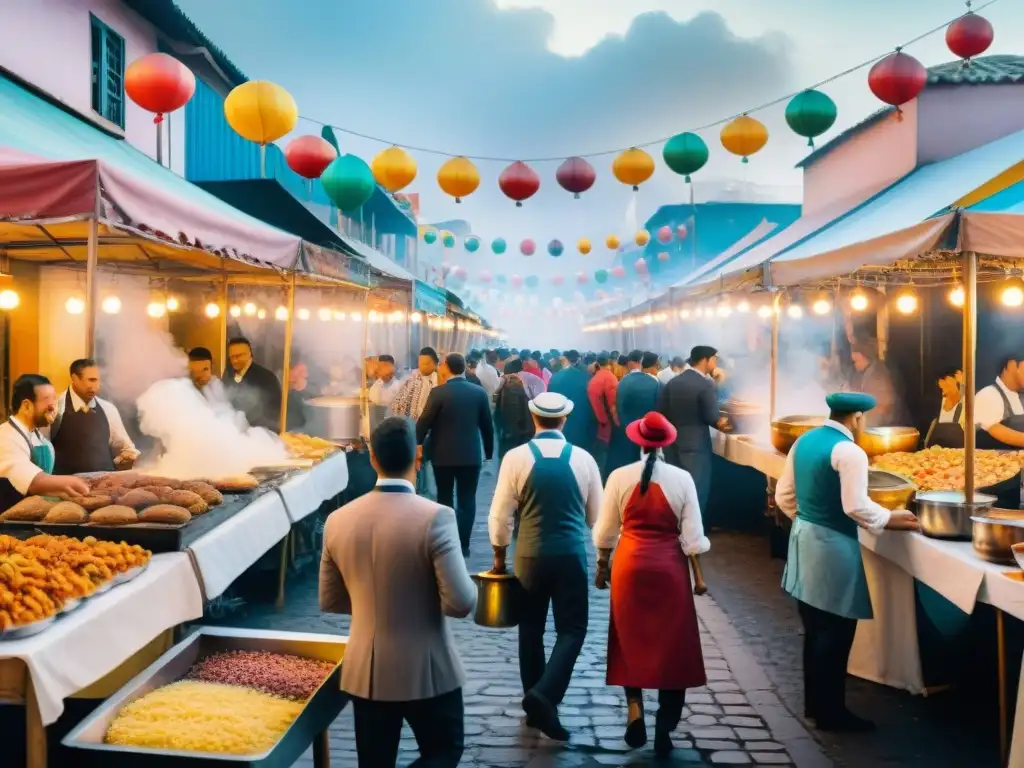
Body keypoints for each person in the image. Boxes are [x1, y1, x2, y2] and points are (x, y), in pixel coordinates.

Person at [319, 416, 475, 767]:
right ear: (418, 457)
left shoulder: (338, 520)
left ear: (373, 458)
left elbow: (331, 599)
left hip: (366, 669)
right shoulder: (436, 517)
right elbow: (461, 603)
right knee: (444, 751)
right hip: (430, 664)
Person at [776, 392, 919, 732]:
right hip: (832, 549)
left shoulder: (804, 440)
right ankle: (832, 713)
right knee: (835, 632)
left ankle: (815, 706)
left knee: (813, 628)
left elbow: (784, 494)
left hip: (803, 540)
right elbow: (855, 505)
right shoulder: (850, 451)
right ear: (856, 417)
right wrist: (891, 517)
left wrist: (808, 519)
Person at [487, 392, 603, 741]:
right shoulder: (584, 459)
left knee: (530, 628)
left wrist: (498, 557)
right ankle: (545, 696)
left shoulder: (516, 458)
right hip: (570, 556)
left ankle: (534, 698)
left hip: (528, 557)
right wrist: (602, 560)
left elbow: (500, 513)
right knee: (573, 630)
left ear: (533, 418)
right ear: (564, 420)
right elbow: (596, 517)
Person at [594, 411, 710, 756]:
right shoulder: (682, 479)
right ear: (666, 444)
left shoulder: (618, 476)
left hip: (629, 567)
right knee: (673, 647)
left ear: (638, 441)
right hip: (669, 570)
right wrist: (699, 579)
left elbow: (605, 531)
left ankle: (634, 709)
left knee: (630, 641)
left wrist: (602, 566)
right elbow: (693, 538)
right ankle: (665, 726)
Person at [417, 354, 494, 555]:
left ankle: (446, 542)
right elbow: (487, 425)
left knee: (444, 497)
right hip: (470, 455)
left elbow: (424, 422)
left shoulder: (438, 393)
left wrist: (416, 444)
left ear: (446, 368)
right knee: (467, 499)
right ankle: (464, 545)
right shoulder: (479, 393)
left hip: (442, 456)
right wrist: (488, 452)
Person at [0, 374, 90, 511]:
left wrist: (66, 492)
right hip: (6, 519)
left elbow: (45, 486)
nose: (53, 406)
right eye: (47, 400)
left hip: (34, 513)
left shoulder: (39, 437)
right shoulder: (6, 437)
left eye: (54, 399)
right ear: (27, 406)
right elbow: (34, 482)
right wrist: (72, 481)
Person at [658, 346, 727, 516]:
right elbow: (713, 417)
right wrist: (724, 422)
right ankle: (694, 535)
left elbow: (660, 412)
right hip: (695, 447)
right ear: (705, 360)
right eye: (715, 359)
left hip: (672, 445)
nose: (715, 363)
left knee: (677, 491)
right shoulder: (704, 385)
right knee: (696, 492)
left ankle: (676, 531)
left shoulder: (673, 382)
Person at [50, 358, 139, 475]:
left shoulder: (108, 409)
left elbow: (125, 448)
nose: (96, 386)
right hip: (68, 487)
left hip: (106, 485)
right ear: (75, 378)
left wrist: (128, 456)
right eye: (91, 380)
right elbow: (43, 450)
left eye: (97, 381)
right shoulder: (55, 407)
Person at [606, 351, 661, 476]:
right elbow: (658, 407)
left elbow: (619, 406)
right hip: (648, 432)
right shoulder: (654, 382)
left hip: (626, 431)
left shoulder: (623, 381)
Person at [222, 337, 282, 431]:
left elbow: (274, 412)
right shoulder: (228, 373)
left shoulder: (266, 377)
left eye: (239, 356)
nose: (235, 360)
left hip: (258, 435)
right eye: (232, 357)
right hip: (231, 433)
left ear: (250, 354)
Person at [547, 350, 597, 450]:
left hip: (562, 422)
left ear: (564, 359)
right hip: (584, 421)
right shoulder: (585, 376)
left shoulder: (555, 378)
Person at [975, 356, 1024, 448]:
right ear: (1011, 365)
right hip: (995, 460)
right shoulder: (988, 394)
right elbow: (996, 430)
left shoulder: (1020, 396)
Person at [849, 343, 901, 428]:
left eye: (856, 361)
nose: (855, 365)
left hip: (885, 425)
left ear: (865, 358)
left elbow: (884, 407)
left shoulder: (878, 375)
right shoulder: (865, 373)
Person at [495, 359, 535, 462]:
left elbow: (513, 415)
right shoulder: (516, 385)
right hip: (520, 433)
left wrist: (509, 434)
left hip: (513, 435)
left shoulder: (512, 386)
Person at [587, 354, 619, 480]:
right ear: (609, 363)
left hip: (596, 424)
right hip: (605, 425)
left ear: (597, 364)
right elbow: (613, 405)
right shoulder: (610, 378)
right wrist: (615, 423)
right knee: (604, 457)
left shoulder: (595, 378)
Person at [924, 366, 964, 448]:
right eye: (943, 385)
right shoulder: (935, 403)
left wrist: (963, 385)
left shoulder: (968, 402)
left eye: (948, 382)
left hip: (960, 455)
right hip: (934, 454)